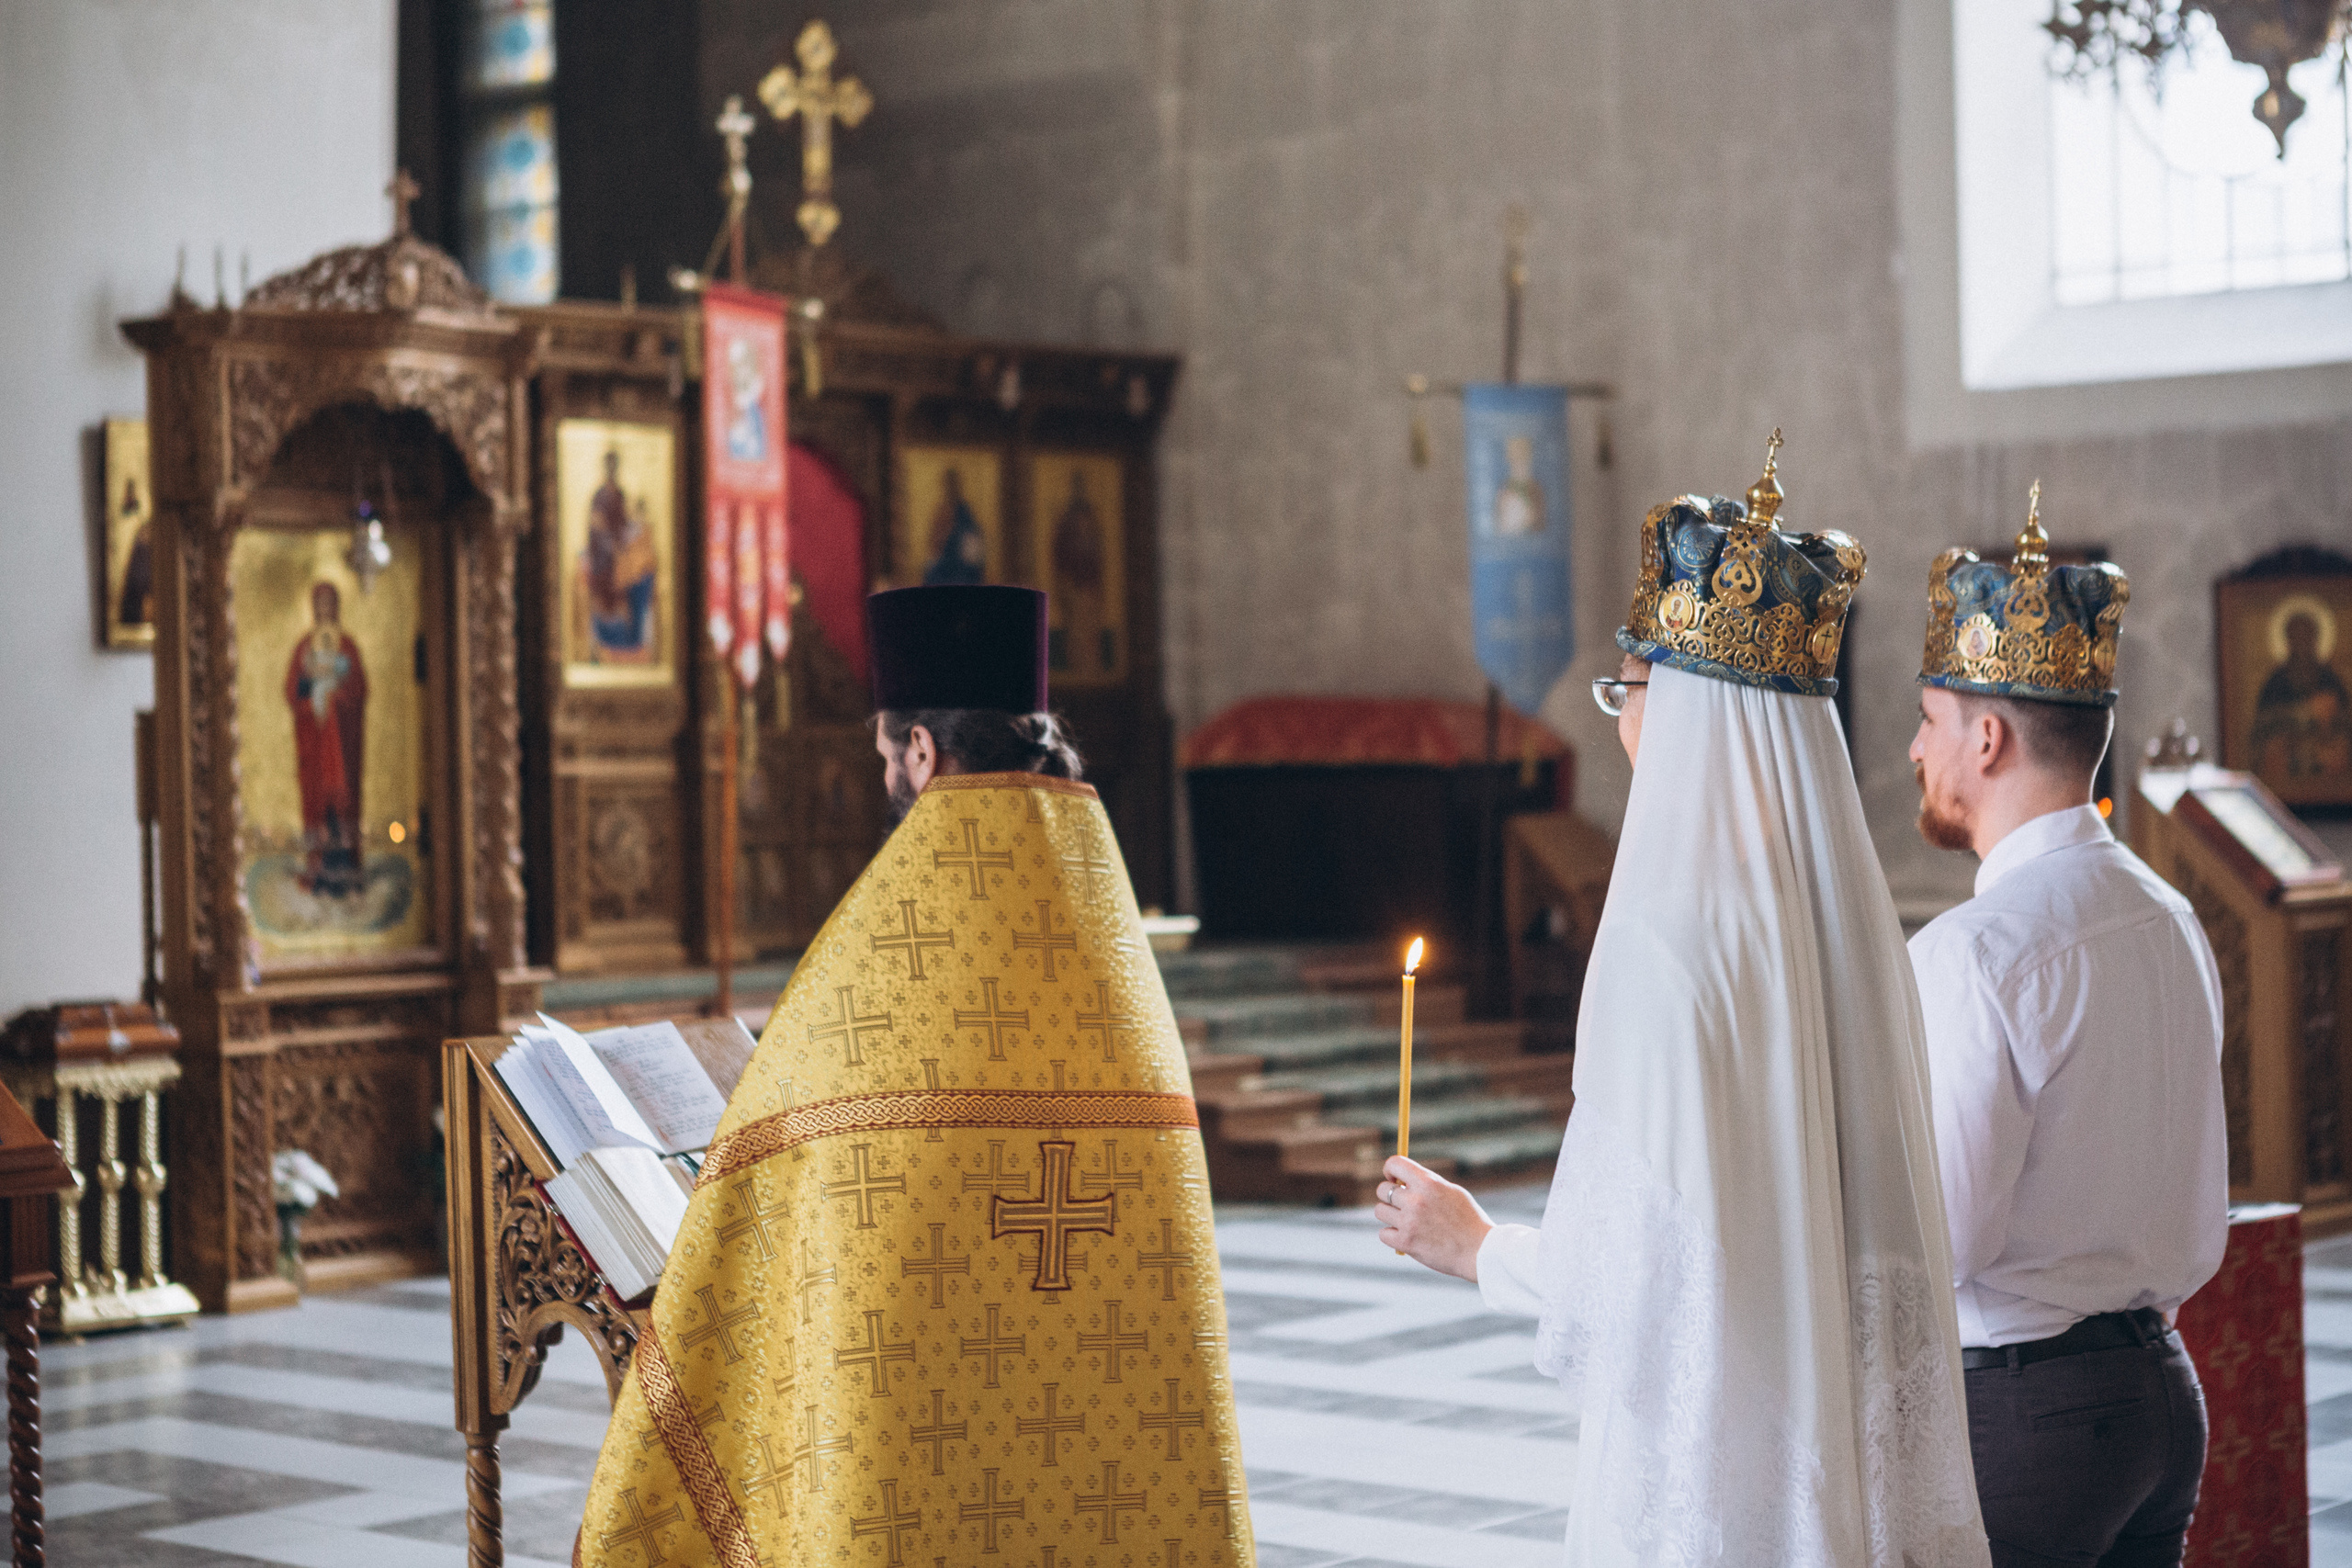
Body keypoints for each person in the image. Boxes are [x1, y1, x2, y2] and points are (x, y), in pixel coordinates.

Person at [1376, 437, 1989, 1566]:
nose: (1620, 718)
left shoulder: (1661, 944)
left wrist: (1473, 1247)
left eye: (1629, 688)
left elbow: (1629, 1290)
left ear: (1691, 710)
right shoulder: (1851, 931)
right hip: (1847, 1473)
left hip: (1721, 1496)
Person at [577, 584, 1252, 1568]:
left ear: (923, 753)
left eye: (885, 755)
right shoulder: (1101, 924)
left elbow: (774, 1138)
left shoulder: (888, 943)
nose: (888, 774)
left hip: (910, 1403)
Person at [1909, 487, 2224, 1567]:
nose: (1914, 750)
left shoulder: (1974, 950)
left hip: (2027, 1409)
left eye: (1929, 721)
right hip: (2161, 1395)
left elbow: (1944, 1237)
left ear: (1987, 737)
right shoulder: (2169, 914)